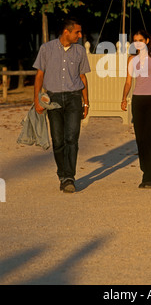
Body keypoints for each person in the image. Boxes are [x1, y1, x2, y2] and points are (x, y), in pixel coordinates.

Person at [33, 17, 91, 193]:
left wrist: (86, 102)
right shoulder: (46, 49)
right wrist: (37, 99)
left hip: (74, 98)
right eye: (77, 32)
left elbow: (83, 77)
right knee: (58, 141)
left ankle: (69, 177)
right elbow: (39, 76)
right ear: (67, 32)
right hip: (53, 100)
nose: (80, 36)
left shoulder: (80, 51)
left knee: (71, 138)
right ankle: (62, 174)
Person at [121, 30, 151, 188]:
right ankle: (146, 171)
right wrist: (123, 98)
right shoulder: (132, 59)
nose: (138, 43)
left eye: (140, 40)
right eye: (135, 40)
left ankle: (149, 176)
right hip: (138, 99)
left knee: (148, 135)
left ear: (147, 40)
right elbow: (128, 82)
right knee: (140, 138)